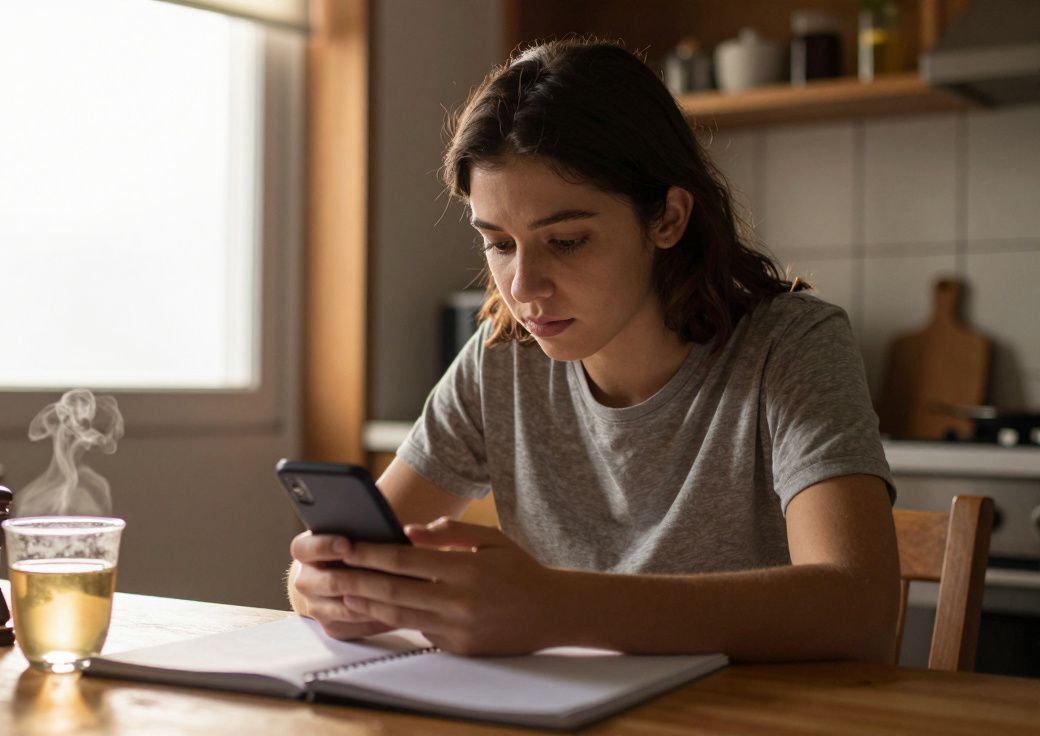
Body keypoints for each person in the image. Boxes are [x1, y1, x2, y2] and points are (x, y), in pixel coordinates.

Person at [286, 37, 900, 663]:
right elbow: (341, 562)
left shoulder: (791, 346)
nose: (523, 288)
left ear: (667, 218)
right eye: (499, 244)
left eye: (569, 241)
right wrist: (325, 585)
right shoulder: (502, 358)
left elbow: (859, 606)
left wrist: (558, 607)